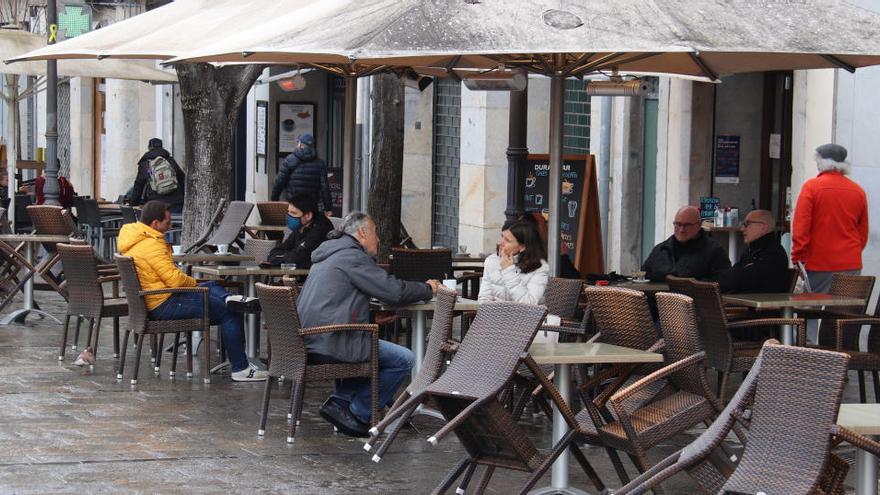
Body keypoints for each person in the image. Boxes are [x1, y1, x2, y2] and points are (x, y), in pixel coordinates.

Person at [296, 211, 439, 437]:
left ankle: (340, 402)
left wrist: (371, 319)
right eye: (375, 233)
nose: (378, 239)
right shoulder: (352, 256)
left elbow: (336, 302)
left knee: (371, 346)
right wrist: (428, 289)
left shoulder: (330, 253)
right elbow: (393, 291)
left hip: (311, 338)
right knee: (404, 359)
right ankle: (358, 412)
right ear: (362, 232)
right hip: (332, 340)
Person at [117, 200, 267, 382]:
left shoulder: (135, 239)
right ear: (155, 224)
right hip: (163, 303)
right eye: (167, 222)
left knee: (211, 286)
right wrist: (192, 282)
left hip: (155, 299)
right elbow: (175, 280)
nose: (171, 225)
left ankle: (230, 298)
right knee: (230, 312)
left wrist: (192, 284)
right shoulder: (151, 244)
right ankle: (241, 368)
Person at [792, 143, 869, 293]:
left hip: (819, 262)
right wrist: (852, 253)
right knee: (842, 311)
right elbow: (863, 232)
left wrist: (798, 258)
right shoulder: (858, 191)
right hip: (850, 263)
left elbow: (801, 227)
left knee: (812, 309)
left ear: (821, 162)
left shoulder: (811, 187)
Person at [642, 205, 731, 282]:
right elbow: (642, 276)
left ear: (699, 225)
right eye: (678, 224)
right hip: (657, 300)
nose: (681, 230)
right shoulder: (661, 250)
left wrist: (692, 285)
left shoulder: (714, 251)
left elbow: (724, 282)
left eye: (687, 225)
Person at [478, 219, 550, 304]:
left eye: (507, 240)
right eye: (502, 237)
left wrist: (509, 271)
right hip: (495, 315)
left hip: (525, 316)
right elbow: (483, 299)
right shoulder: (492, 261)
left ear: (522, 247)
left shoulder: (540, 268)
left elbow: (530, 303)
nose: (500, 243)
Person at [718, 209, 790, 293]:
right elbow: (734, 275)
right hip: (743, 300)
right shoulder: (753, 249)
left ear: (763, 227)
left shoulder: (774, 254)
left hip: (758, 304)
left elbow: (742, 280)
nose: (742, 229)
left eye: (746, 224)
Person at [270, 133, 333, 217]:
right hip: (311, 207)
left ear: (300, 144)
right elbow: (324, 188)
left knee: (294, 227)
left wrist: (274, 200)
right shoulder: (320, 163)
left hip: (294, 206)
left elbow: (279, 183)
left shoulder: (290, 160)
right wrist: (328, 208)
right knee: (310, 227)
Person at [263, 193, 332, 268]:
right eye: (288, 212)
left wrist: (281, 257)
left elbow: (295, 259)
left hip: (313, 276)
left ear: (308, 216)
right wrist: (284, 256)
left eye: (293, 213)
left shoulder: (320, 230)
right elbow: (274, 252)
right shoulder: (301, 227)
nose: (289, 216)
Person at [131, 138, 186, 212]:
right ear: (161, 147)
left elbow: (138, 185)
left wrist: (133, 204)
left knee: (157, 223)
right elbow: (182, 179)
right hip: (175, 202)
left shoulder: (145, 164)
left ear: (149, 148)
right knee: (175, 223)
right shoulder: (170, 160)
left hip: (155, 204)